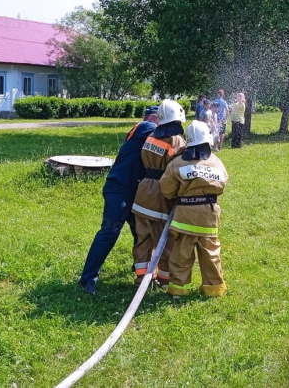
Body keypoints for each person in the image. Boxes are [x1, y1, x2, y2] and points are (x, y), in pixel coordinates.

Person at [78, 107, 161, 294]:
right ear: (152, 117)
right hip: (120, 189)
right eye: (161, 120)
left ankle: (140, 269)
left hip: (134, 190)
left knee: (140, 232)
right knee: (110, 231)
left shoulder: (145, 134)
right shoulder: (145, 127)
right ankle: (87, 279)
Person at [160, 120, 229, 298]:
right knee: (211, 254)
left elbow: (166, 188)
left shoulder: (177, 164)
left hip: (184, 218)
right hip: (208, 216)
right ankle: (215, 289)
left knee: (181, 255)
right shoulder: (216, 162)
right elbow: (222, 185)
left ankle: (178, 290)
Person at [131, 100, 187, 288]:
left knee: (143, 240)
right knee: (165, 242)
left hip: (142, 193)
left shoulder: (151, 135)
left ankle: (141, 278)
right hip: (161, 195)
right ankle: (164, 280)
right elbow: (178, 168)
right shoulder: (176, 141)